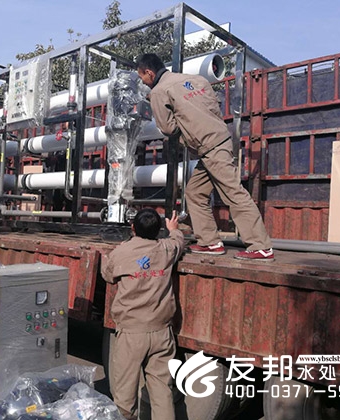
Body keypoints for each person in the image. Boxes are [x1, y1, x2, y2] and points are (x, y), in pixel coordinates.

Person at [136, 53, 274, 261]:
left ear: (149, 72)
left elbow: (167, 128)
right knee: (195, 193)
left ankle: (260, 246)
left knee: (233, 193)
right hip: (218, 141)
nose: (143, 82)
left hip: (210, 147)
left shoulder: (159, 91)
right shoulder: (196, 80)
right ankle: (210, 242)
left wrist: (184, 132)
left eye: (142, 77)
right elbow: (214, 107)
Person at [102, 208, 185, 420]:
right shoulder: (166, 249)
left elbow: (108, 276)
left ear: (132, 228)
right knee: (162, 392)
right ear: (158, 230)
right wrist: (174, 229)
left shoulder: (122, 252)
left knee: (124, 396)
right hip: (161, 333)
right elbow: (178, 241)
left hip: (131, 333)